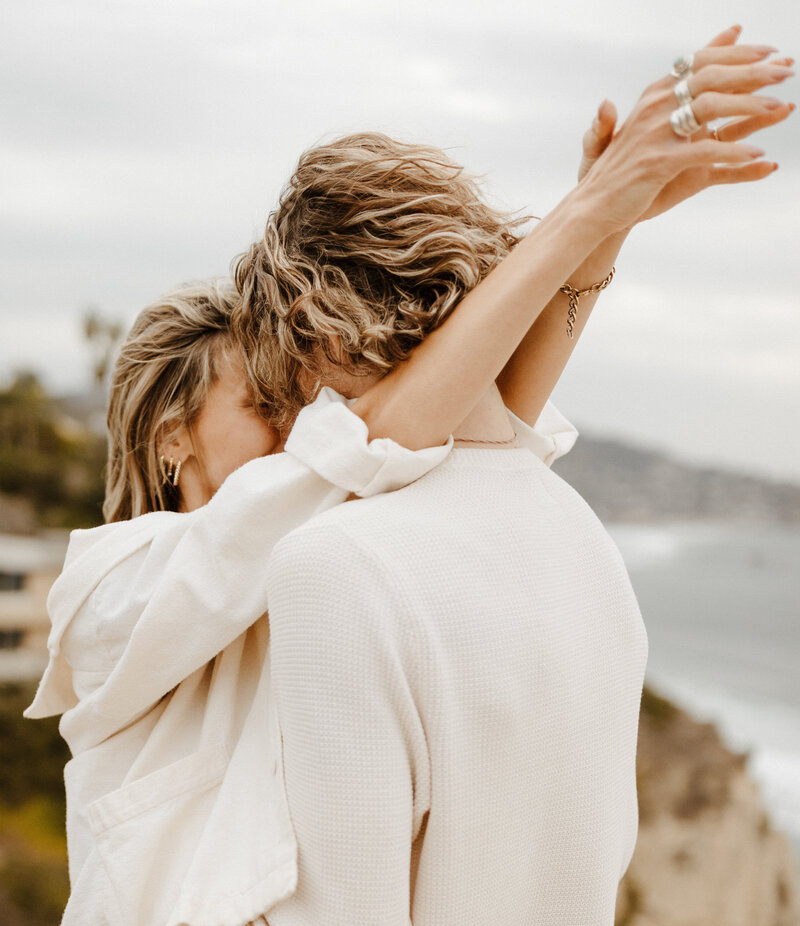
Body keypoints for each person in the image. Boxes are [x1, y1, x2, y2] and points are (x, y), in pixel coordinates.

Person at [25, 24, 793, 926]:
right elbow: (385, 432)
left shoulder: (312, 552)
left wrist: (603, 223)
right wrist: (589, 210)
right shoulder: (109, 590)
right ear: (168, 436)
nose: (304, 429)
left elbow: (477, 425)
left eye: (298, 396)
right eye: (265, 406)